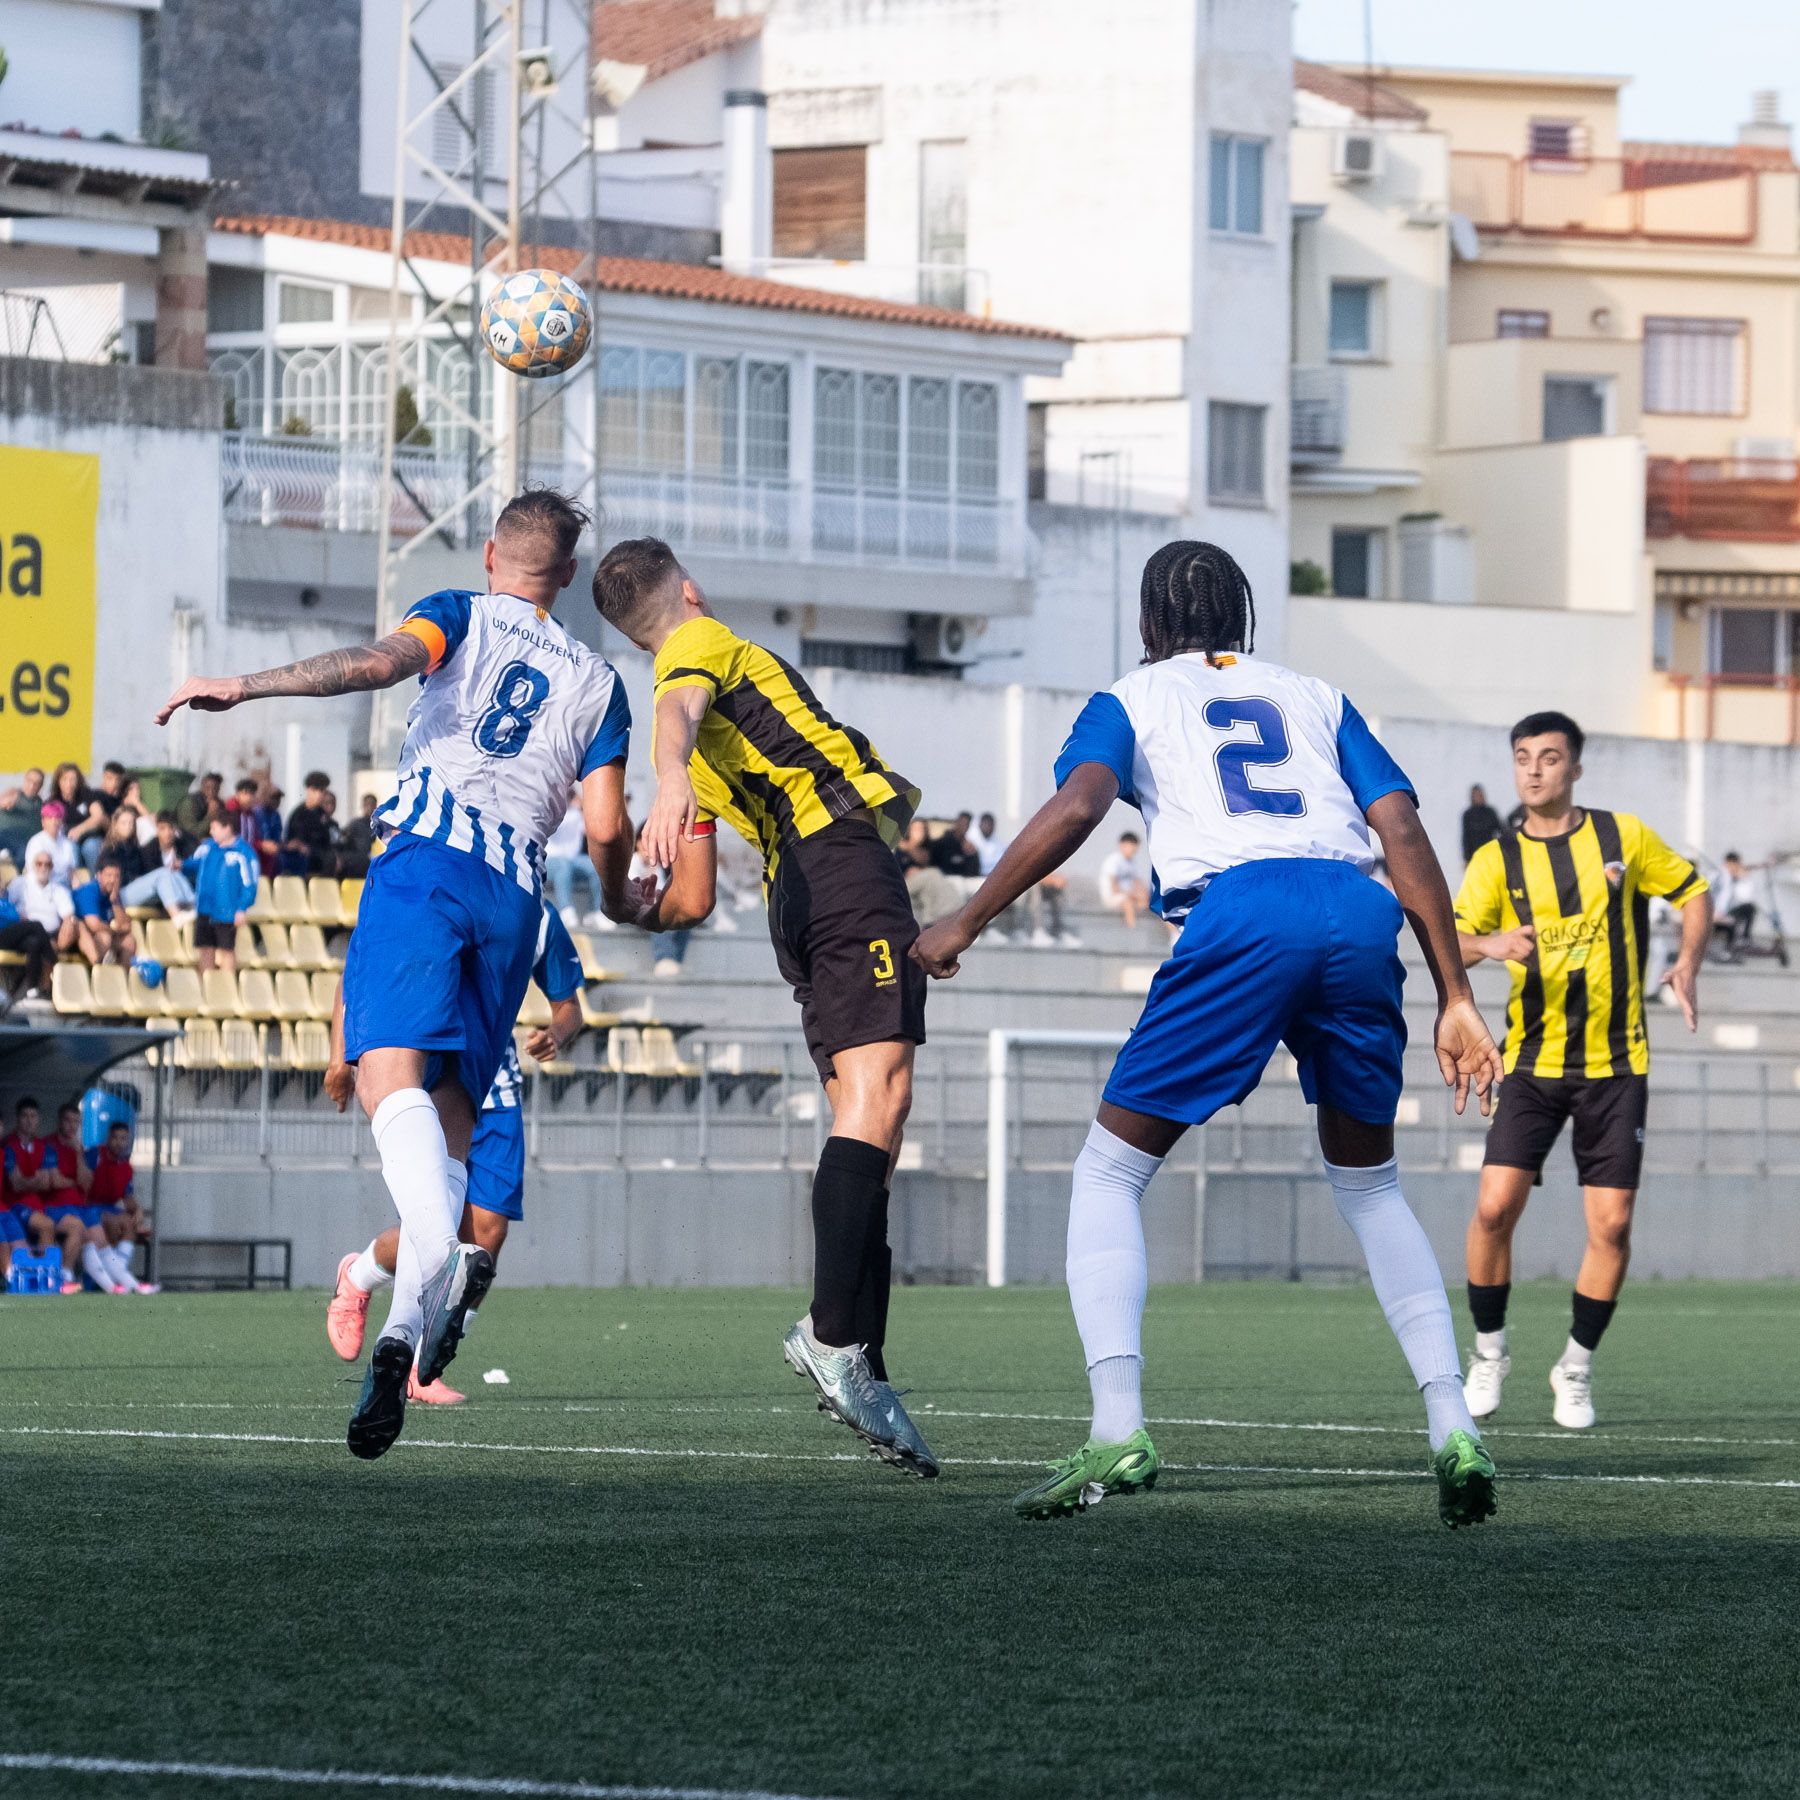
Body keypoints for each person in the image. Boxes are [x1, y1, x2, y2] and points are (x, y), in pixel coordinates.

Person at [912, 539, 1504, 1528]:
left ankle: (1118, 1427)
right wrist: (1455, 993)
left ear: (1149, 627)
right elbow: (1400, 828)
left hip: (1243, 912)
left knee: (1109, 1175)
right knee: (1370, 1186)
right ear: (1245, 619)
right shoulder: (1316, 694)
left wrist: (965, 918)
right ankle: (1455, 1425)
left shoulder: (1131, 697)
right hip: (1356, 913)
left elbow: (1079, 804)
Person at [158, 486, 637, 1460]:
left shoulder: (459, 612)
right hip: (516, 894)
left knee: (393, 1087)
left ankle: (412, 1261)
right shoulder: (601, 683)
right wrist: (635, 897)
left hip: (428, 861)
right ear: (570, 577)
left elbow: (378, 665)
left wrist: (244, 688)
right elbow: (603, 829)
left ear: (493, 555)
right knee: (454, 1138)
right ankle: (402, 1342)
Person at [594, 534, 938, 1478]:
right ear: (689, 592)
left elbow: (693, 899)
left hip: (801, 889)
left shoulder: (703, 738)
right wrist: (664, 777)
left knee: (869, 1121)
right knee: (883, 1097)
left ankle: (861, 1361)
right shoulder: (699, 646)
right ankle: (834, 1338)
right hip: (837, 862)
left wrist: (632, 901)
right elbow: (678, 708)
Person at [1455, 710, 1712, 1431]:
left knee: (1613, 1224)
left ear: (1575, 768)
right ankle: (1489, 1352)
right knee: (1494, 1208)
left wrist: (1687, 963)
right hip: (1532, 1063)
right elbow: (1451, 939)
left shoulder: (1620, 837)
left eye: (1549, 758)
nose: (1534, 769)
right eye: (1523, 758)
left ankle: (1574, 1367)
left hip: (1616, 1064)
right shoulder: (1495, 861)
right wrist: (1495, 941)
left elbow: (1693, 890)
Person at [325, 900, 584, 1401]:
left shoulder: (537, 915)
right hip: (430, 1069)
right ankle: (359, 1277)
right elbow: (357, 970)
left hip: (496, 1082)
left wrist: (557, 1033)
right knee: (438, 1221)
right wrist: (339, 1058)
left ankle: (425, 1360)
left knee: (487, 1233)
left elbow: (568, 1004)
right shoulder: (432, 882)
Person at [3, 1097, 83, 1293]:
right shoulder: (8, 1145)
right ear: (18, 1119)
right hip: (15, 1205)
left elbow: (48, 1182)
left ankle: (63, 1276)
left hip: (38, 1205)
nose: (29, 1120)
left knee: (77, 1228)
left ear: (38, 1119)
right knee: (46, 1225)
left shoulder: (45, 1147)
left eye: (33, 1116)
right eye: (25, 1116)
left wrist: (30, 1181)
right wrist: (36, 1180)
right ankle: (48, 1279)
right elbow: (16, 1184)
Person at [183, 807, 260, 974]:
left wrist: (242, 908)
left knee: (226, 950)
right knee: (205, 949)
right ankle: (206, 989)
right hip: (205, 908)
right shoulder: (207, 848)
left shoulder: (244, 853)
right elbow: (192, 864)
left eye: (214, 827)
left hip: (226, 911)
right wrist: (179, 865)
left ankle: (227, 988)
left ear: (227, 828)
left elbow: (250, 884)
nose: (211, 831)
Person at [85, 1118, 155, 1292]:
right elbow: (82, 1186)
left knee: (129, 1222)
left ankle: (116, 1274)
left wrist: (137, 1210)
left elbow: (127, 1197)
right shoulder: (95, 1155)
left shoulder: (126, 1166)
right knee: (115, 1223)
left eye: (123, 1138)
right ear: (108, 1138)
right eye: (115, 1138)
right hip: (88, 1206)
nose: (119, 1142)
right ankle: (117, 1277)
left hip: (108, 1207)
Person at [115, 812, 197, 921]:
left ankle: (195, 907)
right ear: (157, 830)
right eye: (162, 829)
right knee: (165, 872)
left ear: (175, 830)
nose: (167, 833)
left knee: (174, 873)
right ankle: (178, 916)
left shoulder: (183, 846)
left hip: (172, 895)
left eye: (170, 828)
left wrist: (182, 866)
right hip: (146, 894)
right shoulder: (147, 851)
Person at [544, 788, 602, 928]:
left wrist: (586, 805)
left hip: (573, 861)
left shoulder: (577, 814)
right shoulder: (548, 811)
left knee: (597, 866)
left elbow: (594, 830)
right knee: (563, 865)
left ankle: (594, 912)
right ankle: (566, 910)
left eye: (569, 795)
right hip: (549, 862)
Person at [8, 848, 77, 960]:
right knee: (36, 940)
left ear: (52, 867)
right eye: (39, 864)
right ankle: (51, 958)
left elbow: (68, 917)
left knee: (74, 925)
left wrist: (67, 928)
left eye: (47, 864)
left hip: (52, 934)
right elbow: (7, 907)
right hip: (25, 931)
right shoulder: (19, 884)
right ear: (33, 865)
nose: (43, 868)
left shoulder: (59, 890)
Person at [896, 818, 962, 925]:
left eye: (922, 829)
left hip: (920, 883)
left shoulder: (926, 847)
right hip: (903, 883)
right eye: (916, 829)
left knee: (938, 880)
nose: (920, 832)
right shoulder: (900, 846)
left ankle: (937, 918)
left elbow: (925, 860)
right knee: (933, 874)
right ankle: (952, 912)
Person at [0, 879, 57, 1001]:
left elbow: (16, 917)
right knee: (36, 925)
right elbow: (11, 918)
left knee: (34, 943)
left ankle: (32, 990)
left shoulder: (6, 901)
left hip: (11, 937)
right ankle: (53, 962)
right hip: (2, 937)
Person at [72, 860, 136, 966]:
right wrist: (115, 932)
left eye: (116, 876)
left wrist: (115, 902)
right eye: (109, 875)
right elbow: (94, 925)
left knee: (129, 941)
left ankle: (122, 978)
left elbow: (126, 926)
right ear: (99, 876)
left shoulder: (114, 894)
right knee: (105, 937)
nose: (112, 880)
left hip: (101, 935)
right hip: (80, 938)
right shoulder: (89, 890)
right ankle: (98, 973)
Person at [284, 772, 336, 876]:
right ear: (308, 790)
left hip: (321, 858)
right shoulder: (298, 814)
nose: (320, 795)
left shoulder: (321, 814)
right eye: (316, 790)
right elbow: (298, 844)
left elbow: (326, 842)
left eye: (322, 791)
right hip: (305, 862)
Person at [1097, 831, 1149, 928]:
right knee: (1127, 902)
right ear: (1122, 845)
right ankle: (1132, 932)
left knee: (1149, 902)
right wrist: (1135, 895)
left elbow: (1138, 883)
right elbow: (1114, 888)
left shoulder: (1132, 862)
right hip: (1112, 897)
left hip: (1128, 895)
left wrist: (1144, 895)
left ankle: (1172, 935)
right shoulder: (1113, 860)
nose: (1134, 849)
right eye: (1131, 845)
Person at [1715, 851, 1758, 956]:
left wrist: (1743, 879)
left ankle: (1742, 940)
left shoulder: (1739, 880)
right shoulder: (1718, 876)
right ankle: (1729, 949)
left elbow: (1746, 897)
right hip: (1715, 914)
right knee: (1732, 919)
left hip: (1729, 914)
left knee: (1749, 908)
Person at [0, 766, 47, 861]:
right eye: (29, 781)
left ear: (41, 786)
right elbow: (3, 802)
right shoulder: (13, 794)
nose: (32, 785)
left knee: (25, 852)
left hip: (24, 843)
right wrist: (3, 802)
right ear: (25, 780)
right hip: (4, 835)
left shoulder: (43, 805)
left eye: (36, 783)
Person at [26, 800, 79, 885]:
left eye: (57, 818)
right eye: (50, 818)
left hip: (64, 885)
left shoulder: (67, 843)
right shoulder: (36, 842)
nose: (54, 822)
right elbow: (36, 872)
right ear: (43, 822)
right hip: (41, 885)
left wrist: (77, 888)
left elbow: (72, 872)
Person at [929, 811, 982, 879]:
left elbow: (974, 872)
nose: (964, 827)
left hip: (965, 880)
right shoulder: (941, 843)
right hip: (944, 879)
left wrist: (970, 856)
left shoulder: (969, 847)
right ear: (956, 823)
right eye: (962, 823)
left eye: (967, 824)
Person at [340, 792, 379, 877]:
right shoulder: (355, 824)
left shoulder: (377, 826)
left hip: (368, 861)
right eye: (367, 804)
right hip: (355, 862)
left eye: (372, 805)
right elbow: (343, 841)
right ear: (363, 806)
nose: (370, 807)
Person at [1461, 784, 1502, 865]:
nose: (1479, 797)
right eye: (1476, 795)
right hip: (1475, 857)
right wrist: (1466, 859)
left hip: (1491, 854)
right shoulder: (1468, 815)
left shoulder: (1490, 812)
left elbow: (1501, 830)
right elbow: (1466, 838)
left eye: (1480, 795)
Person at [176, 771, 223, 839]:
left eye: (215, 789)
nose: (211, 792)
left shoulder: (218, 804)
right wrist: (210, 816)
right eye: (208, 788)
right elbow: (191, 833)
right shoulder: (190, 803)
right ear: (202, 786)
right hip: (188, 841)